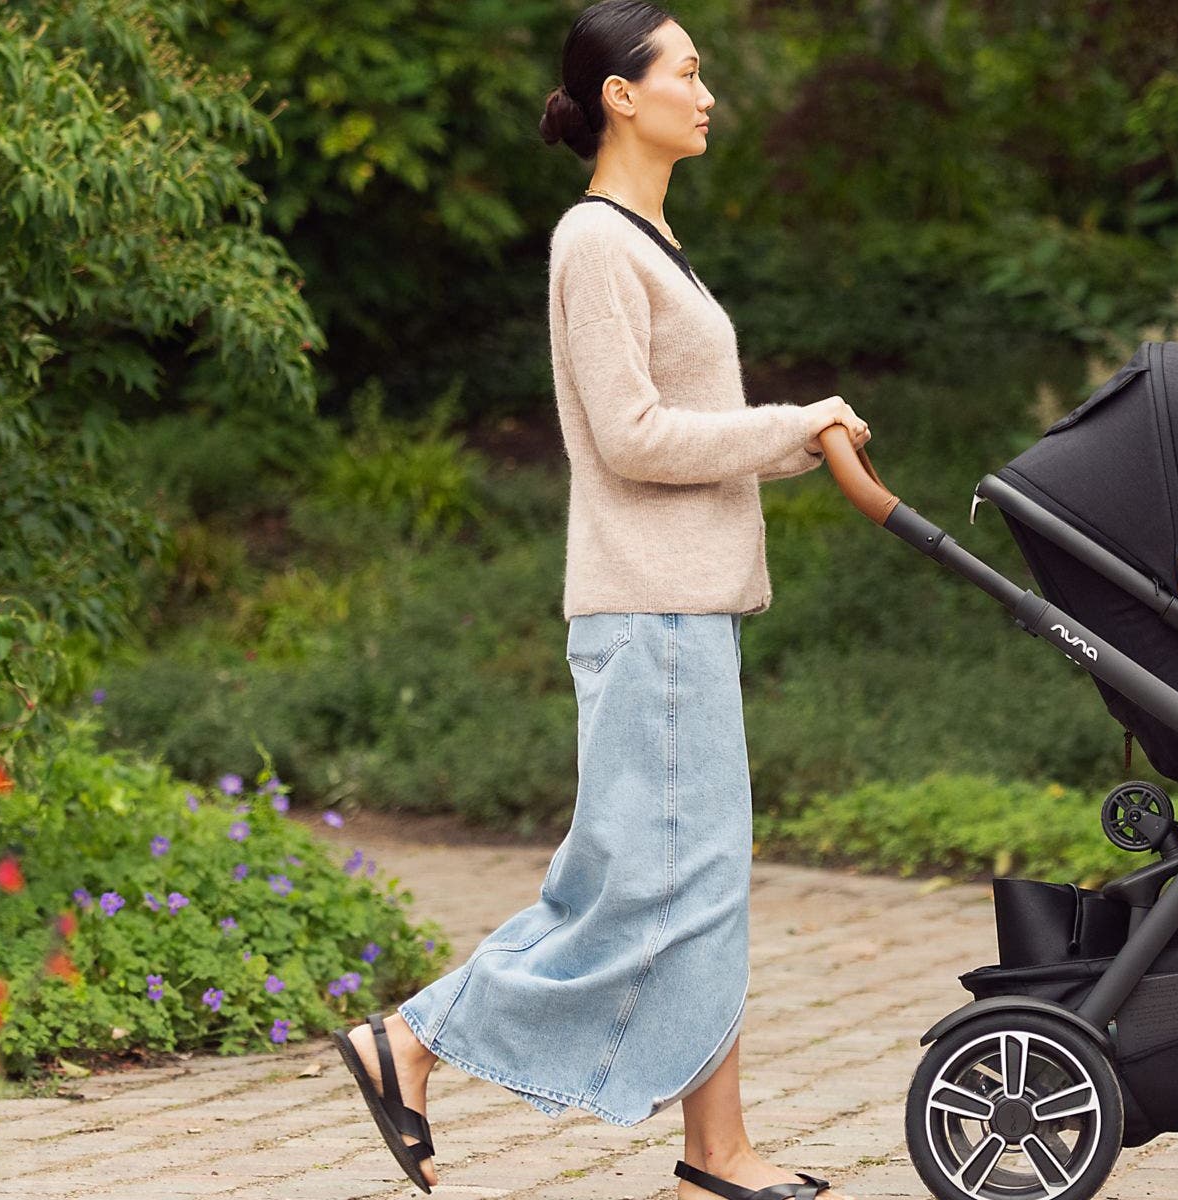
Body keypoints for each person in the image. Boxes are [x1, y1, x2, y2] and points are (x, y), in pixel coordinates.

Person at [330, 5, 867, 1200]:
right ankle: (410, 1040)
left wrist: (794, 439)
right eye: (686, 70)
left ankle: (714, 1152)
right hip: (650, 612)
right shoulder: (595, 243)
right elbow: (628, 439)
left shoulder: (648, 238)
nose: (707, 89)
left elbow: (669, 429)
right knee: (646, 883)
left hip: (684, 610)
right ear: (621, 95)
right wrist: (795, 424)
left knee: (695, 878)